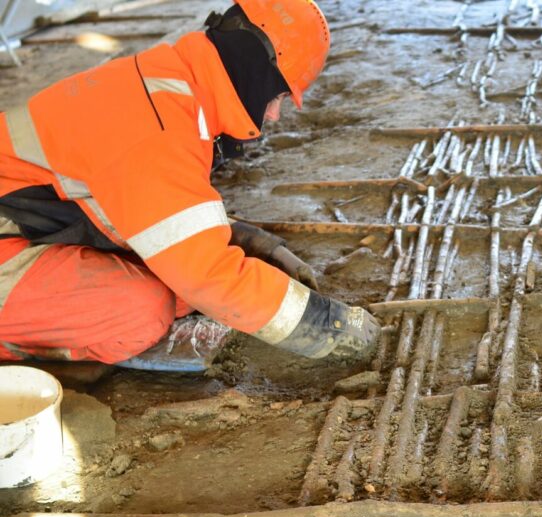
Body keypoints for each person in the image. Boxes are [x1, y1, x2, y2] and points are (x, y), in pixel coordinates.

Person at [0, 0, 380, 365]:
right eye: (278, 96)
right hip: (10, 240)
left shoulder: (171, 88)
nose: (275, 115)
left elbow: (135, 201)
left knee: (178, 288)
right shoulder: (160, 128)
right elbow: (210, 277)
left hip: (22, 225)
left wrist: (242, 239)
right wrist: (324, 323)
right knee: (141, 312)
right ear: (257, 70)